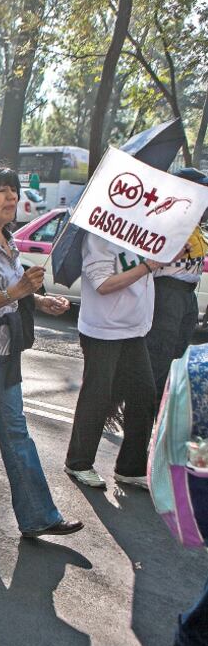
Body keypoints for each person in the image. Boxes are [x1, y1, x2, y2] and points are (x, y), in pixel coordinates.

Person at [0, 166, 82, 538]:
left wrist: (39, 301)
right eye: (2, 190)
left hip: (6, 350)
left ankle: (38, 516)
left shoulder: (8, 240)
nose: (11, 196)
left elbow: (15, 291)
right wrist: (15, 293)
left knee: (16, 432)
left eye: (13, 189)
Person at [63, 226, 166, 489]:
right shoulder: (101, 233)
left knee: (144, 394)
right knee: (98, 396)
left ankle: (130, 468)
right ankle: (78, 463)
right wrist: (147, 266)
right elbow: (102, 284)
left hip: (134, 330)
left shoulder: (143, 231)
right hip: (103, 330)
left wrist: (163, 258)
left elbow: (147, 273)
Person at [147, 168, 208, 402]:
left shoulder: (196, 222)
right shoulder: (166, 220)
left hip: (187, 297)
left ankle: (161, 408)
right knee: (159, 357)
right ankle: (144, 410)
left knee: (177, 355)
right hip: (167, 293)